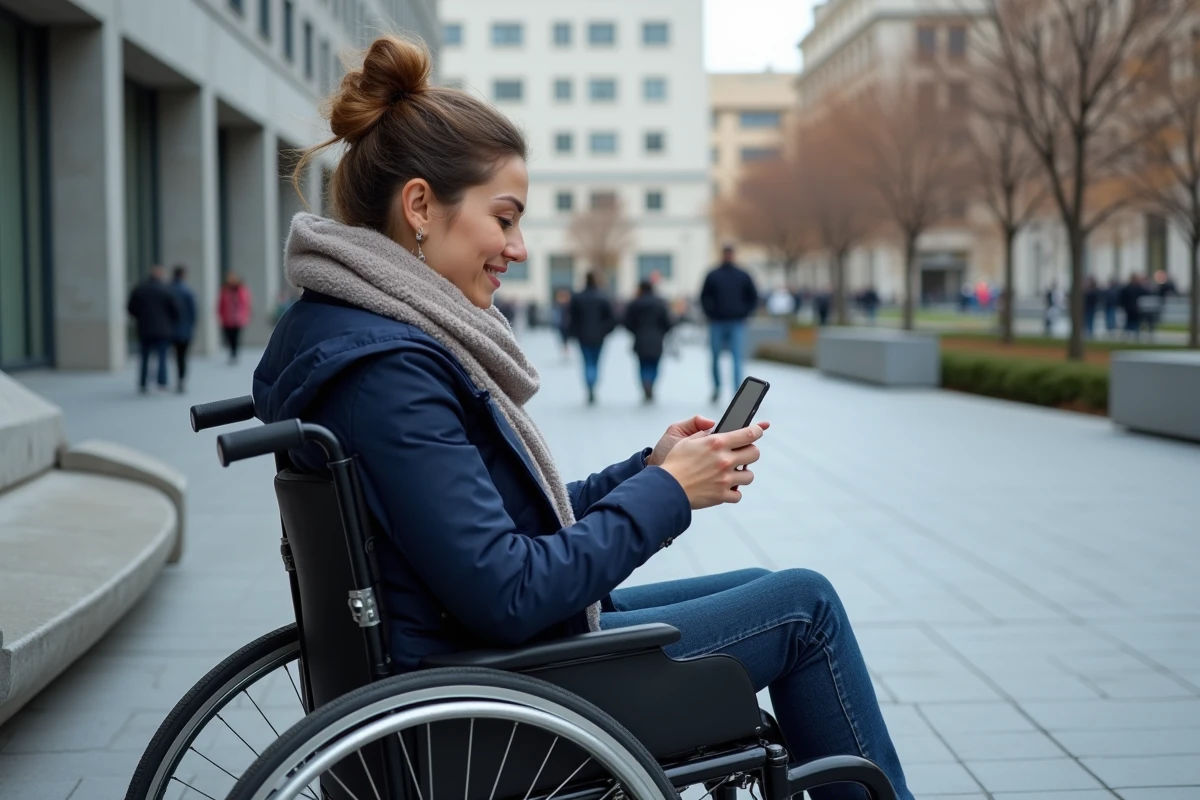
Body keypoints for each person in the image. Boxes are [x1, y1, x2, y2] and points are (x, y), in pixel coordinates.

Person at [251, 35, 912, 799]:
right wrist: (668, 495)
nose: (519, 248)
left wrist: (651, 467)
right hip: (484, 703)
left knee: (771, 583)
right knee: (806, 607)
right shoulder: (390, 369)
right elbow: (509, 591)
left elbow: (500, 530)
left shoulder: (360, 335)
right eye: (505, 219)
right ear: (422, 206)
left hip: (470, 660)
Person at [700, 244, 758, 403]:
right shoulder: (713, 275)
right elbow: (704, 297)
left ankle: (737, 390)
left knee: (737, 358)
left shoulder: (743, 275)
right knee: (715, 357)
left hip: (736, 322)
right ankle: (717, 387)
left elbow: (753, 297)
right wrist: (711, 313)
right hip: (717, 322)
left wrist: (744, 313)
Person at [126, 265, 179, 394]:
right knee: (162, 356)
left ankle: (143, 383)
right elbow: (175, 310)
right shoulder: (166, 290)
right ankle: (162, 383)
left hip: (145, 328)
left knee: (144, 356)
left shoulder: (140, 289)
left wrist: (141, 317)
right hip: (162, 329)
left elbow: (131, 308)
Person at [568, 271, 617, 405]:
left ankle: (589, 385)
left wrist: (573, 333)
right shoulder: (603, 297)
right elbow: (611, 318)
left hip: (582, 336)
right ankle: (593, 384)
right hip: (599, 336)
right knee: (595, 362)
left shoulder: (578, 297)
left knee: (587, 362)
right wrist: (606, 331)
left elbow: (572, 318)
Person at [623, 279, 674, 403]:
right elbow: (668, 322)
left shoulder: (635, 303)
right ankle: (651, 383)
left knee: (642, 364)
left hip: (640, 338)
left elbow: (627, 322)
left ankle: (645, 383)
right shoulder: (660, 303)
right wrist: (663, 331)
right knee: (654, 364)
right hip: (657, 338)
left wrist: (635, 331)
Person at [168, 265, 197, 393]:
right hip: (184, 329)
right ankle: (181, 379)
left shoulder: (168, 290)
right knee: (182, 356)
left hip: (170, 329)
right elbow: (193, 313)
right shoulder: (187, 291)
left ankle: (169, 379)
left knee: (173, 355)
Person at [217, 272, 252, 364]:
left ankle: (234, 353)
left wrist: (245, 316)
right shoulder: (225, 291)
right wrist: (220, 314)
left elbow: (245, 304)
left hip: (238, 319)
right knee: (229, 337)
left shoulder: (241, 291)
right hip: (227, 319)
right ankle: (232, 352)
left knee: (236, 337)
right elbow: (221, 304)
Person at [551, 287, 572, 361]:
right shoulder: (557, 305)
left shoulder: (568, 305)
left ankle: (566, 352)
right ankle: (565, 352)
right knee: (563, 340)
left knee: (566, 340)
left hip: (566, 325)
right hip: (561, 325)